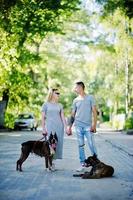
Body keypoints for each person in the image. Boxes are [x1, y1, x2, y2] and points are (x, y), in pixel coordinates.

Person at [67, 81, 98, 172]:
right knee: (80, 146)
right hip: (78, 126)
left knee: (91, 145)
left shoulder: (90, 98)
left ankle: (96, 164)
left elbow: (94, 112)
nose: (74, 89)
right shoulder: (75, 100)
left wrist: (94, 125)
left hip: (88, 126)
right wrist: (69, 127)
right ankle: (83, 164)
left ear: (81, 87)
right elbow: (72, 114)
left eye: (76, 87)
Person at [41, 88, 67, 168]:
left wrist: (66, 127)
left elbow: (62, 117)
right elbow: (42, 117)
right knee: (49, 145)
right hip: (49, 127)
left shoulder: (60, 105)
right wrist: (43, 128)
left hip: (59, 127)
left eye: (59, 93)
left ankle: (51, 163)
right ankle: (50, 163)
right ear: (52, 94)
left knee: (57, 145)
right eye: (57, 93)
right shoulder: (45, 104)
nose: (58, 94)